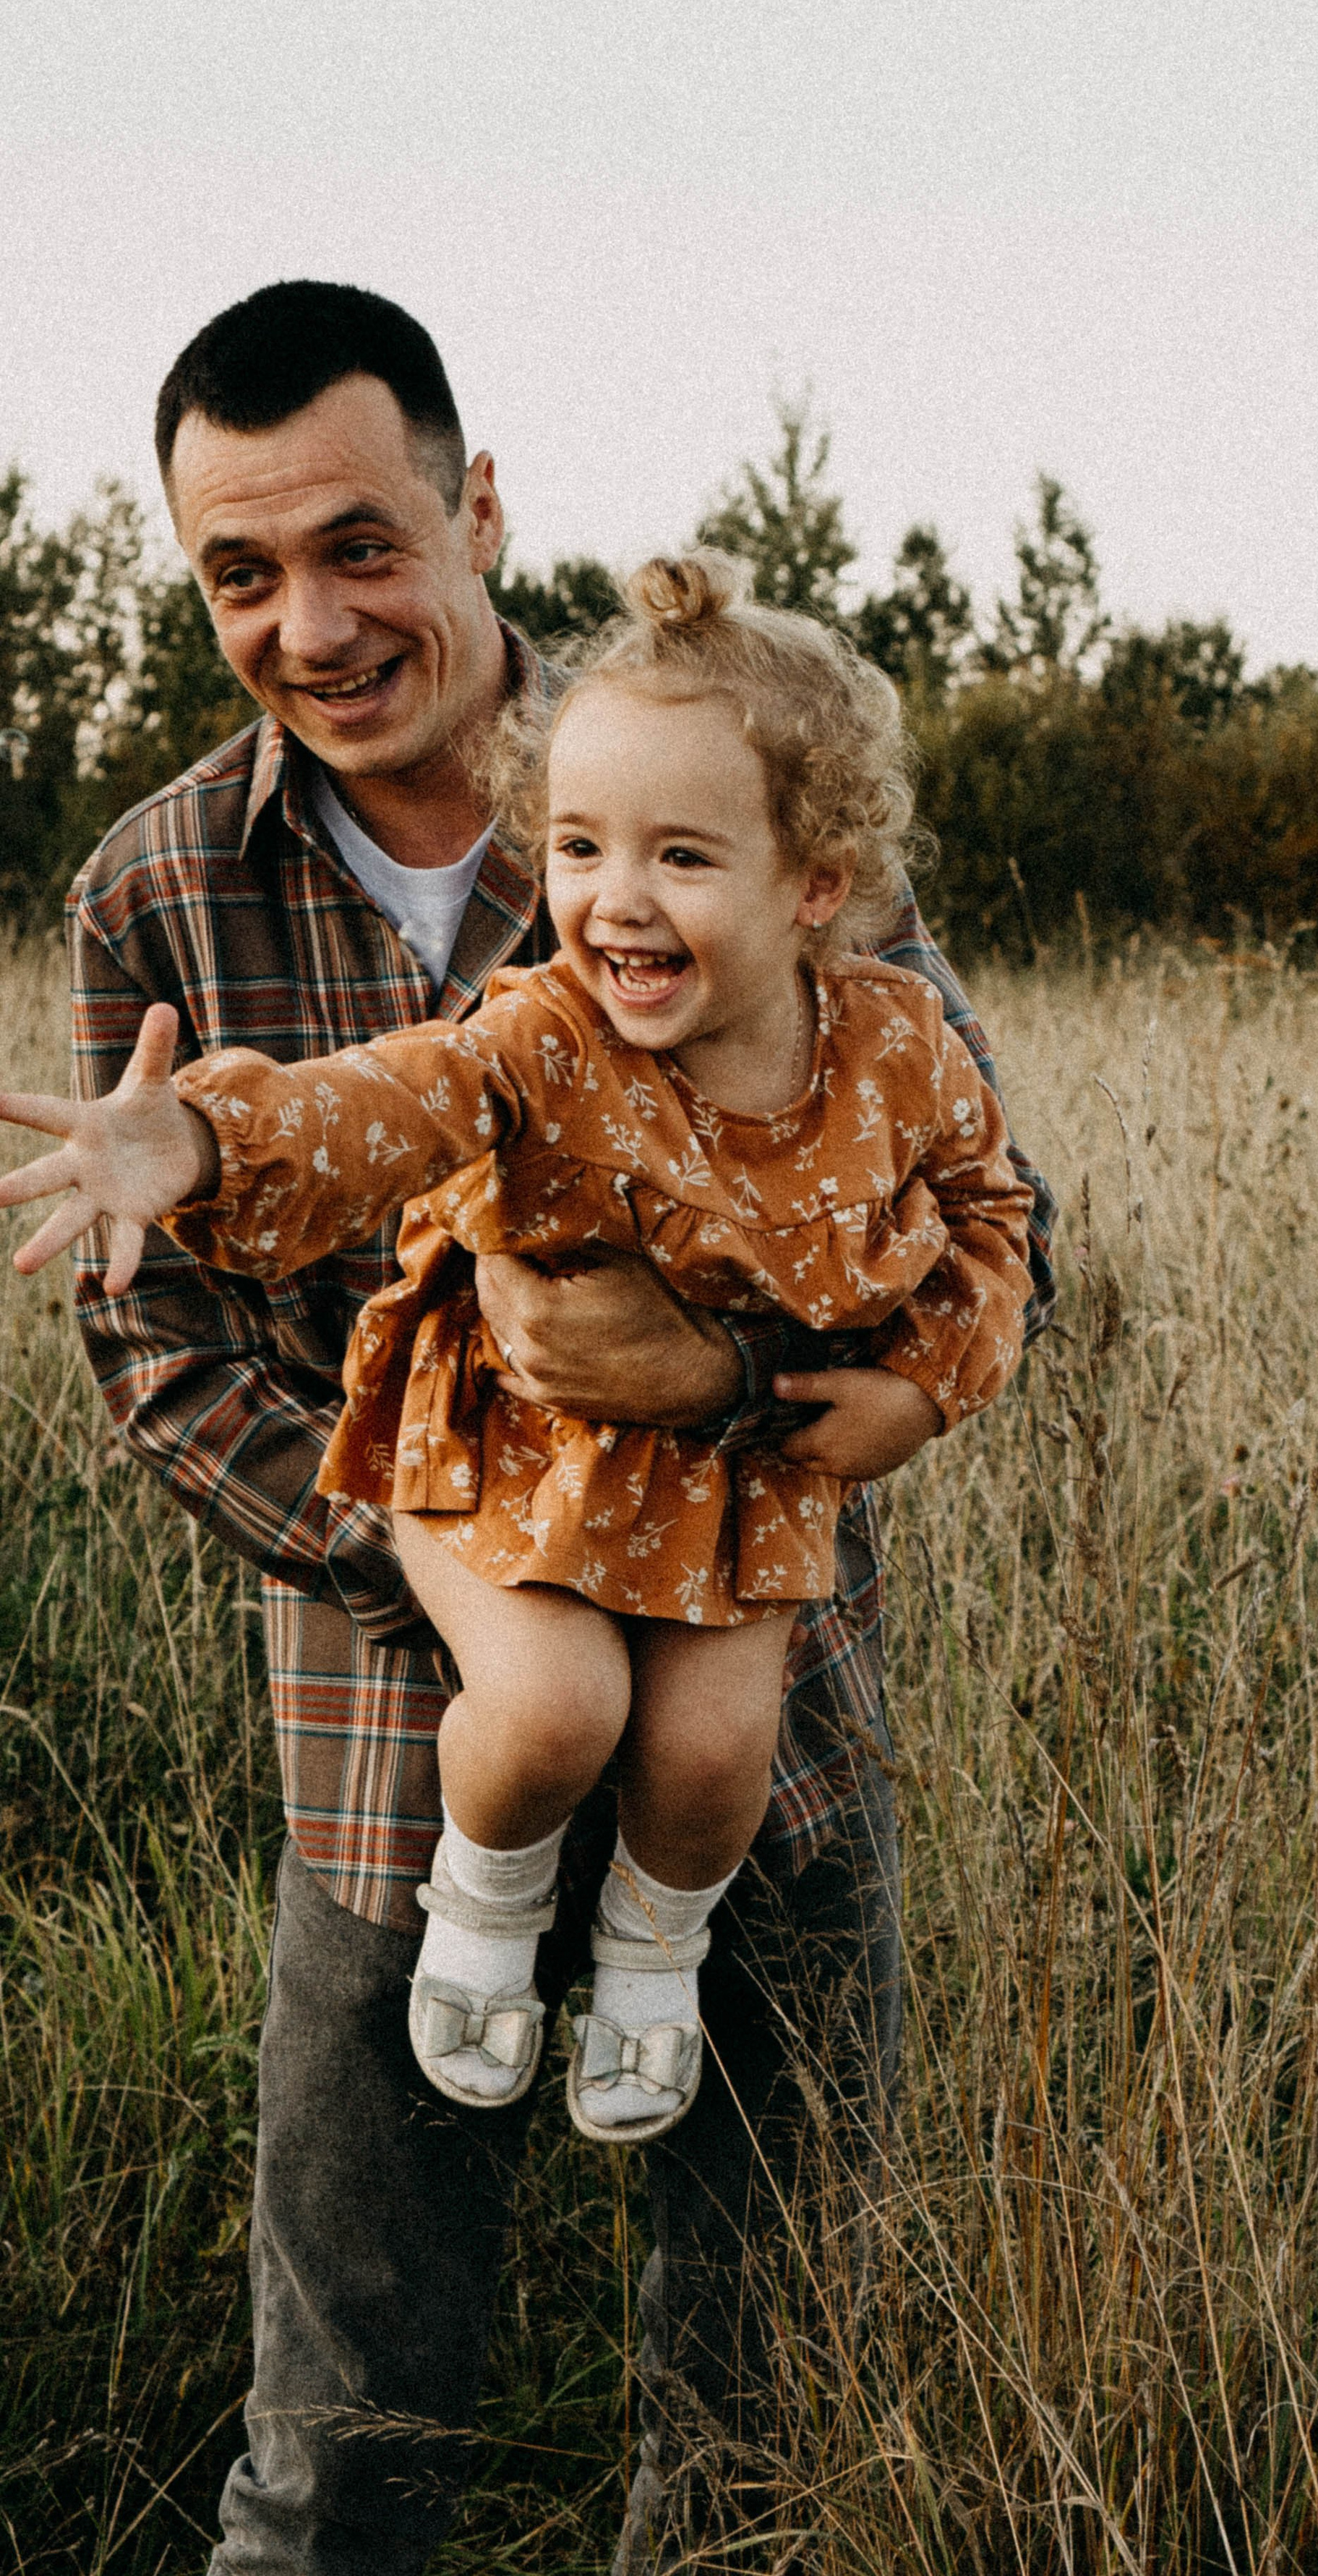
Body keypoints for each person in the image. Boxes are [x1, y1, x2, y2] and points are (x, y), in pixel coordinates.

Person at [55, 282, 1055, 2571]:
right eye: (240, 574)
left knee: (760, 2432)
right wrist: (469, 1562)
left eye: (359, 544)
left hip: (759, 1745)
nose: (309, 621)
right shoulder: (157, 887)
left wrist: (713, 1395)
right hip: (392, 1748)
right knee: (342, 2455)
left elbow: (993, 1221)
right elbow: (167, 1353)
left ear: (474, 506)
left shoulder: (736, 770)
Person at [5, 546, 1035, 2158]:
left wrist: (923, 1383)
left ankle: (648, 1957)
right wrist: (198, 1147)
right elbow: (383, 1098)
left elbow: (992, 1213)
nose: (613, 897)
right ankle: (481, 1922)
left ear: (814, 884)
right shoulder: (541, 1027)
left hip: (727, 1472)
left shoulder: (889, 1047)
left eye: (680, 856)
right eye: (573, 847)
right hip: (501, 1447)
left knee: (713, 1756)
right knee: (551, 1711)